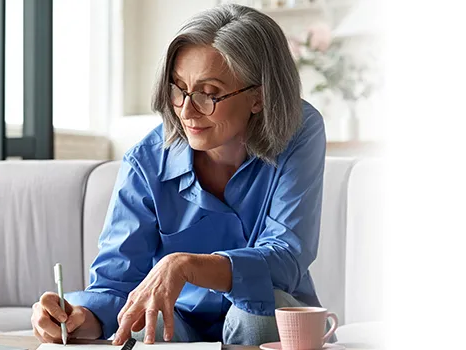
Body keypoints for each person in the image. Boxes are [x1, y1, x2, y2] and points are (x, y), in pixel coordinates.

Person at [31, 3, 330, 346]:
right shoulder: (146, 161)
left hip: (265, 321)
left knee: (258, 307)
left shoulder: (299, 130)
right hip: (179, 321)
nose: (186, 111)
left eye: (209, 93)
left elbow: (286, 256)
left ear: (258, 98)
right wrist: (77, 318)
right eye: (178, 89)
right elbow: (116, 284)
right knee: (146, 321)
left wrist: (185, 265)